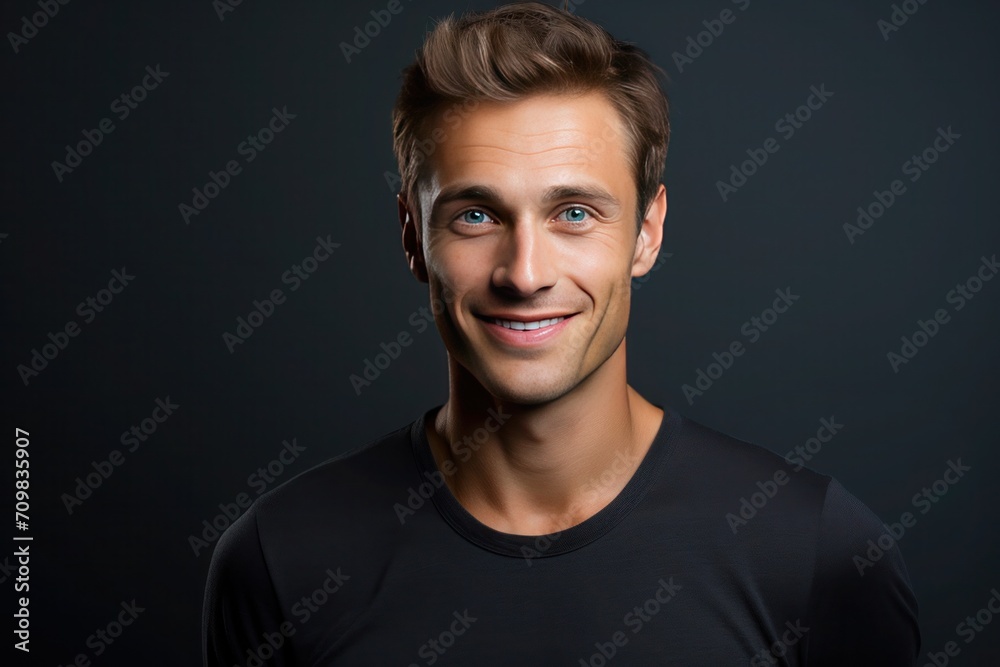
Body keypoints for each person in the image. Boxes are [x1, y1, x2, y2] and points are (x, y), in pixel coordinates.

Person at [203, 2, 920, 664]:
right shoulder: (282, 559)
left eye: (574, 212)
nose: (524, 273)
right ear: (412, 238)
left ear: (647, 232)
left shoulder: (814, 549)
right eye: (476, 215)